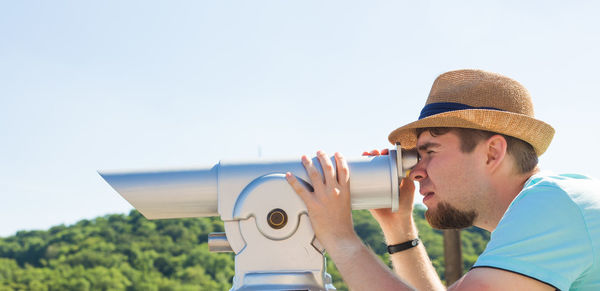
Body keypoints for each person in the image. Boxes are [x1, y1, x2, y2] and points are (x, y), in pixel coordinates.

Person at [285, 69, 600, 290]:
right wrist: (399, 228)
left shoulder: (554, 204)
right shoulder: (548, 211)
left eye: (429, 152)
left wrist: (340, 238)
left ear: (492, 153)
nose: (416, 171)